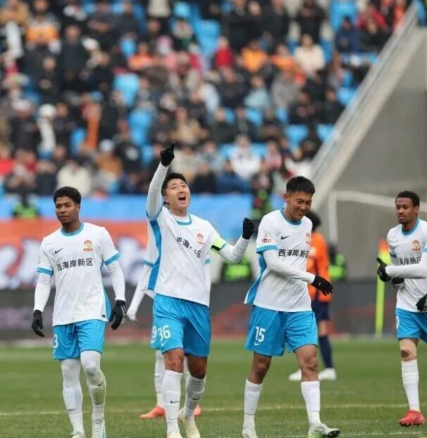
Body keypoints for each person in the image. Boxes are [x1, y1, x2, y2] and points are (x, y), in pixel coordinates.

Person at [146, 143, 255, 438]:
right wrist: (164, 165)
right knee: (173, 361)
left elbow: (232, 256)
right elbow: (152, 193)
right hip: (168, 301)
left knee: (199, 371)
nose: (180, 189)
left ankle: (188, 415)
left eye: (183, 185)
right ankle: (172, 429)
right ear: (166, 198)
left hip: (198, 306)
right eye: (173, 187)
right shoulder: (161, 218)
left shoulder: (204, 228)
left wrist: (245, 238)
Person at [241, 176, 338, 438]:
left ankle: (315, 424)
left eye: (308, 202)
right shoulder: (270, 222)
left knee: (310, 362)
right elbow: (273, 263)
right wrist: (311, 278)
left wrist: (308, 280)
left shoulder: (307, 224)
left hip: (300, 306)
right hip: (269, 305)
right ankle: (248, 426)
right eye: (299, 201)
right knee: (260, 366)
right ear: (286, 197)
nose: (304, 207)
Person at [31, 186, 127, 438]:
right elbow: (44, 280)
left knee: (91, 366)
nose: (62, 210)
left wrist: (120, 300)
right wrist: (38, 310)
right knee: (68, 373)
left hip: (92, 309)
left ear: (78, 207)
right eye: (58, 206)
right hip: (63, 314)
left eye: (67, 205)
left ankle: (98, 418)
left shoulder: (98, 234)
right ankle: (77, 431)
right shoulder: (49, 242)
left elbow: (115, 269)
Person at [376, 189, 427, 429]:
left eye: (405, 207)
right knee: (406, 352)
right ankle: (415, 411)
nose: (400, 211)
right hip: (406, 305)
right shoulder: (392, 236)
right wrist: (391, 278)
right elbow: (399, 270)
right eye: (398, 207)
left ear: (416, 209)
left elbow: (426, 269)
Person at [126, 223, 202, 420]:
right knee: (161, 353)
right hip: (163, 305)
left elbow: (205, 271)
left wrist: (203, 300)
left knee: (188, 353)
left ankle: (192, 403)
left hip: (188, 303)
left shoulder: (192, 232)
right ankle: (161, 403)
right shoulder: (156, 237)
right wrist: (134, 305)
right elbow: (146, 271)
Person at [288, 210, 336, 382]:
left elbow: (309, 263)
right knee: (318, 330)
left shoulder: (315, 240)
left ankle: (308, 368)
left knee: (307, 331)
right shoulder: (312, 239)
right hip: (315, 293)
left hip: (316, 294)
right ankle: (328, 368)